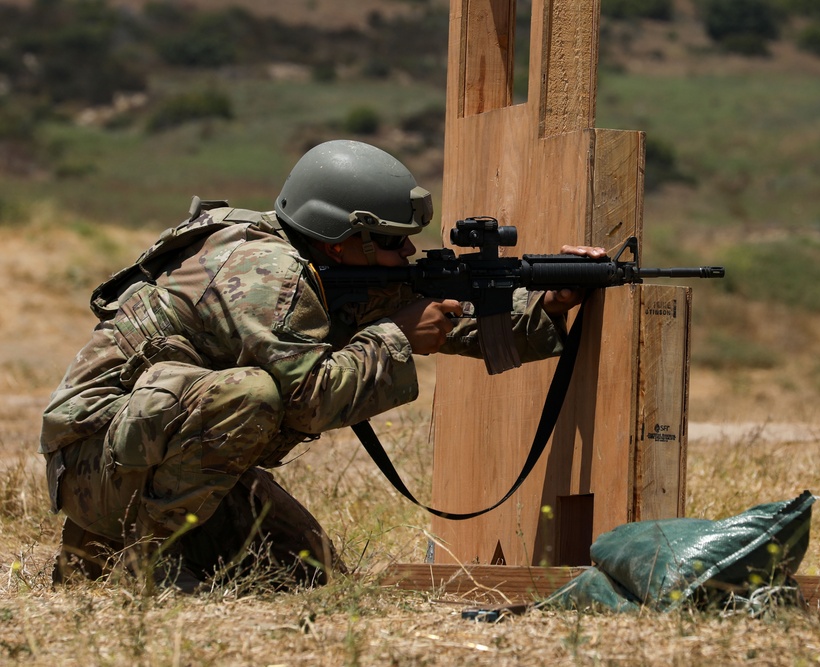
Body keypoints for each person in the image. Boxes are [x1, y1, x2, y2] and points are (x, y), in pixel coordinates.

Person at [40, 139, 604, 592]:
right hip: (95, 464)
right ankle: (141, 563)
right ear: (341, 241)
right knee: (251, 394)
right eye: (389, 243)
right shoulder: (266, 272)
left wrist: (548, 304)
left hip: (149, 455)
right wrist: (397, 338)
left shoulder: (330, 269)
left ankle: (94, 556)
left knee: (311, 576)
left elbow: (455, 325)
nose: (406, 255)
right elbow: (310, 399)